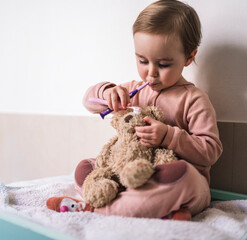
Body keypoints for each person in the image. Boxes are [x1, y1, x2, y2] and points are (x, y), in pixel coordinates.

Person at [47, 0, 223, 221]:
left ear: (189, 57)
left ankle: (95, 208)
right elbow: (88, 101)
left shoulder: (194, 99)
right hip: (129, 176)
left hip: (172, 180)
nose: (151, 73)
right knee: (88, 169)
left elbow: (210, 151)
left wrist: (168, 136)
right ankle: (159, 211)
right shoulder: (132, 90)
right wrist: (107, 92)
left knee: (184, 178)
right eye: (142, 60)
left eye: (164, 64)